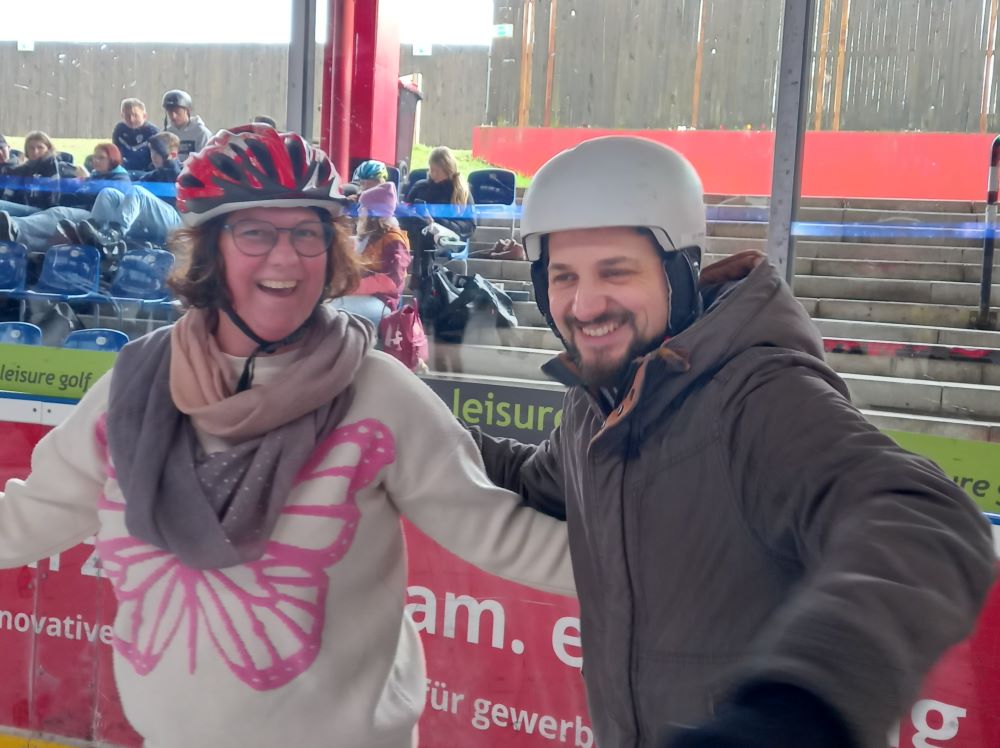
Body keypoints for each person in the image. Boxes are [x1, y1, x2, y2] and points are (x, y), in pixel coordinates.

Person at [0, 124, 572, 748]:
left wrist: (671, 571)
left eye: (307, 233)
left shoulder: (376, 393)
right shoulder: (133, 389)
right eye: (255, 232)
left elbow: (504, 536)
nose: (285, 256)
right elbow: (29, 517)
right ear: (210, 250)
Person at [468, 136, 996, 748]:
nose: (585, 305)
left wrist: (796, 712)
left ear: (678, 275)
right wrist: (410, 419)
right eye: (563, 277)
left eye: (616, 271)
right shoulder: (596, 407)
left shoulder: (759, 394)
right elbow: (537, 481)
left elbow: (922, 518)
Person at [0, 143, 131, 249]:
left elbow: (95, 197)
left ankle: (13, 227)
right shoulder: (95, 176)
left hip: (94, 218)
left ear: (113, 159)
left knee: (58, 213)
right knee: (48, 214)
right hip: (78, 209)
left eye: (101, 158)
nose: (96, 161)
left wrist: (83, 183)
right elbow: (73, 195)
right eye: (94, 157)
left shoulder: (120, 178)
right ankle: (14, 235)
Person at [331, 181, 410, 323]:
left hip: (383, 301)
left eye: (363, 207)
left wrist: (349, 287)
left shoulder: (394, 240)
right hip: (365, 295)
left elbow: (391, 282)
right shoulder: (370, 237)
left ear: (373, 213)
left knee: (333, 308)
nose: (360, 210)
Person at [0, 131, 76, 215]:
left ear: (48, 148)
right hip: (24, 209)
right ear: (26, 150)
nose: (35, 151)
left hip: (49, 212)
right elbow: (8, 195)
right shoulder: (20, 170)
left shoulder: (60, 167)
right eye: (31, 148)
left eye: (40, 147)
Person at [162, 89, 212, 162]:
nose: (173, 116)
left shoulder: (201, 133)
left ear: (187, 111)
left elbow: (205, 161)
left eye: (177, 111)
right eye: (170, 112)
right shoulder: (166, 133)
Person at [112, 97, 160, 172]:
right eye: (127, 116)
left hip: (146, 171)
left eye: (135, 115)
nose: (131, 119)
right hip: (124, 170)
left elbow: (158, 158)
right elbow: (115, 151)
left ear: (144, 116)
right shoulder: (119, 129)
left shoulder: (153, 132)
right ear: (122, 116)